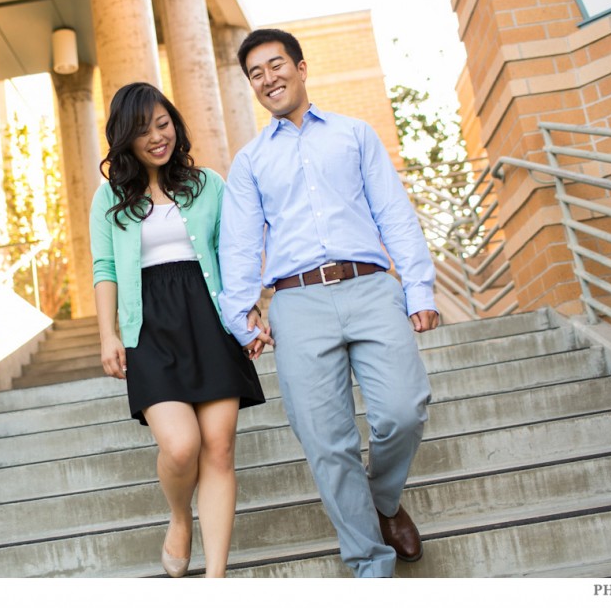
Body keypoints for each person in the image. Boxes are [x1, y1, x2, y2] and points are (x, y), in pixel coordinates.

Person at [218, 29, 438, 578]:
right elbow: (240, 247)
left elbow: (394, 214)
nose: (268, 79)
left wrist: (419, 287)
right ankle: (370, 564)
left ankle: (382, 502)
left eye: (276, 65)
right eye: (256, 74)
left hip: (370, 287)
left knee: (403, 411)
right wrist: (242, 315)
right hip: (296, 303)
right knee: (326, 441)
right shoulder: (249, 163)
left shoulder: (355, 135)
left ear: (301, 66)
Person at [89, 82, 267, 578]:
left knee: (220, 446)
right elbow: (105, 268)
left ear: (176, 124)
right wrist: (108, 335)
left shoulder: (208, 183)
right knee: (181, 445)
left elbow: (235, 253)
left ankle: (215, 578)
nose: (157, 137)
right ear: (125, 138)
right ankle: (177, 515)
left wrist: (248, 311)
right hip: (148, 325)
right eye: (143, 130)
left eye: (163, 124)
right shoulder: (109, 196)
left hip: (208, 319)